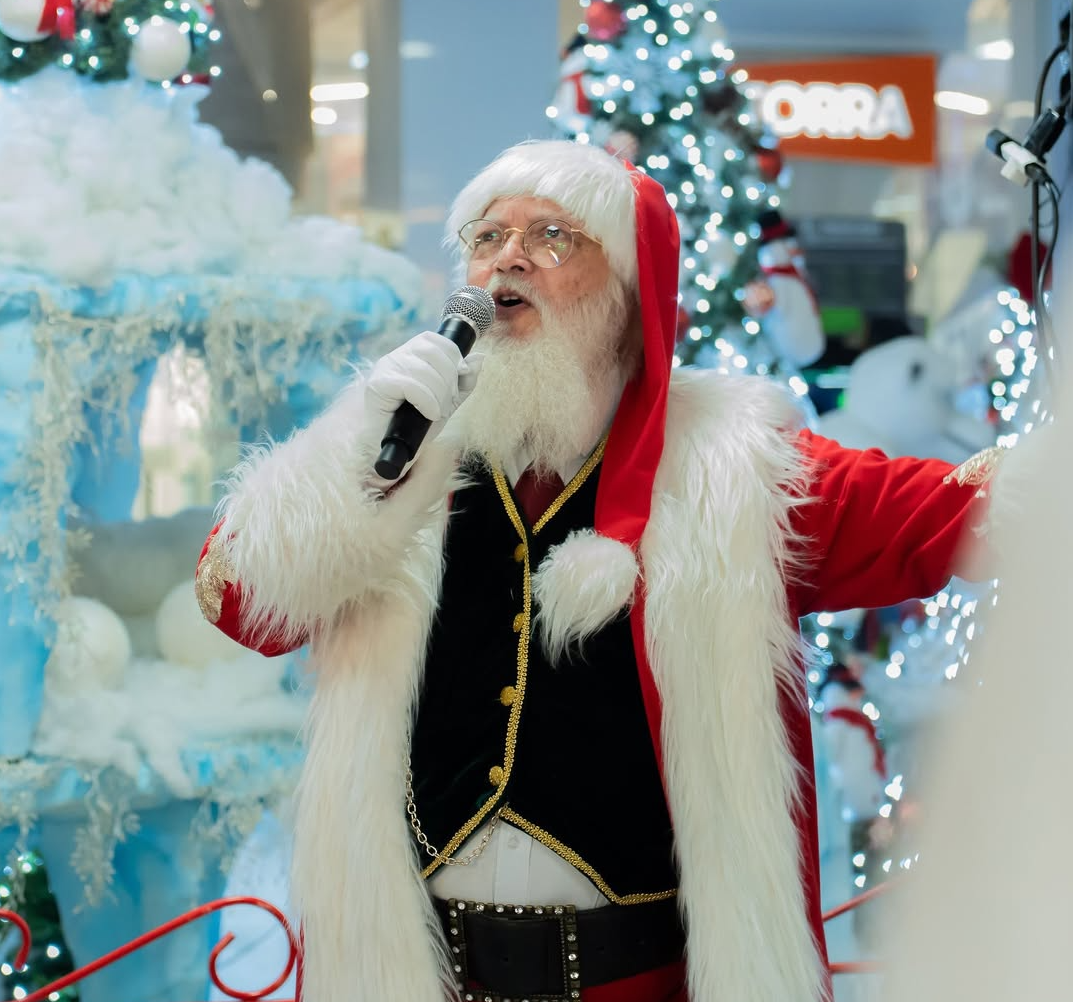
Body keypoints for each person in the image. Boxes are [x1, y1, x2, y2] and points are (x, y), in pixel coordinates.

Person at [194, 139, 1001, 1002]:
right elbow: (236, 599)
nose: (507, 256)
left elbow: (952, 511)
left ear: (625, 291)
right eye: (486, 236)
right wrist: (354, 459)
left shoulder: (734, 472)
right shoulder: (400, 451)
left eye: (551, 236)